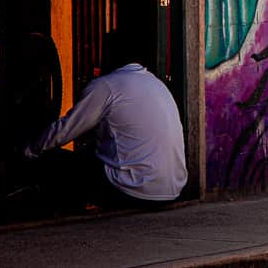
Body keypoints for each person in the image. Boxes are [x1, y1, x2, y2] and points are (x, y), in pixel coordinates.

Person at [22, 32, 187, 208]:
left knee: (55, 162)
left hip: (134, 190)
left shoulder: (107, 85)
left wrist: (31, 149)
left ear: (112, 55)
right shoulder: (157, 84)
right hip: (172, 189)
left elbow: (66, 130)